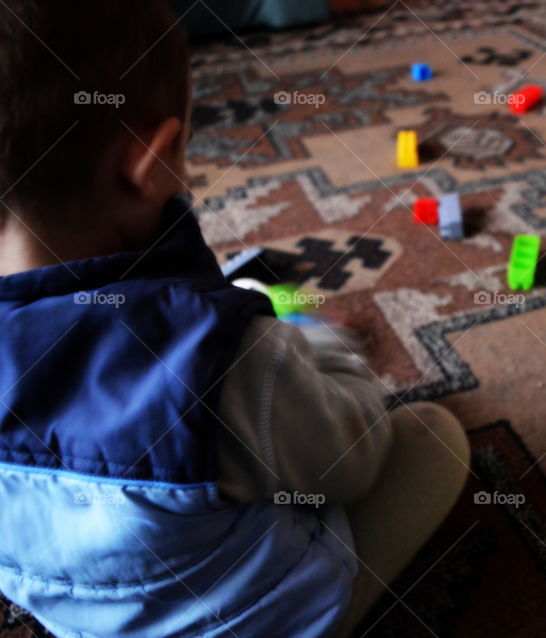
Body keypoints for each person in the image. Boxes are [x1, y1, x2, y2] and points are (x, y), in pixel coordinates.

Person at [0, 2, 468, 635]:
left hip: (92, 617)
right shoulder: (214, 358)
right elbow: (352, 455)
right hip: (260, 617)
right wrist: (321, 348)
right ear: (153, 162)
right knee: (432, 436)